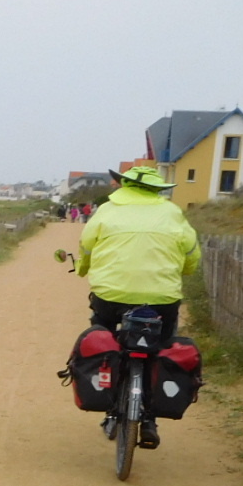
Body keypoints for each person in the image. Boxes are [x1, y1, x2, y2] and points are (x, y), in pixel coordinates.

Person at [77, 164, 201, 448]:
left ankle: (109, 396)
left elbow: (86, 247)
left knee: (104, 334)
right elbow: (191, 253)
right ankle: (149, 419)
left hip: (111, 294)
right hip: (161, 297)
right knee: (160, 346)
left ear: (125, 185)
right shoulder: (172, 213)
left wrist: (83, 269)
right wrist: (184, 270)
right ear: (158, 189)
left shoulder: (107, 211)